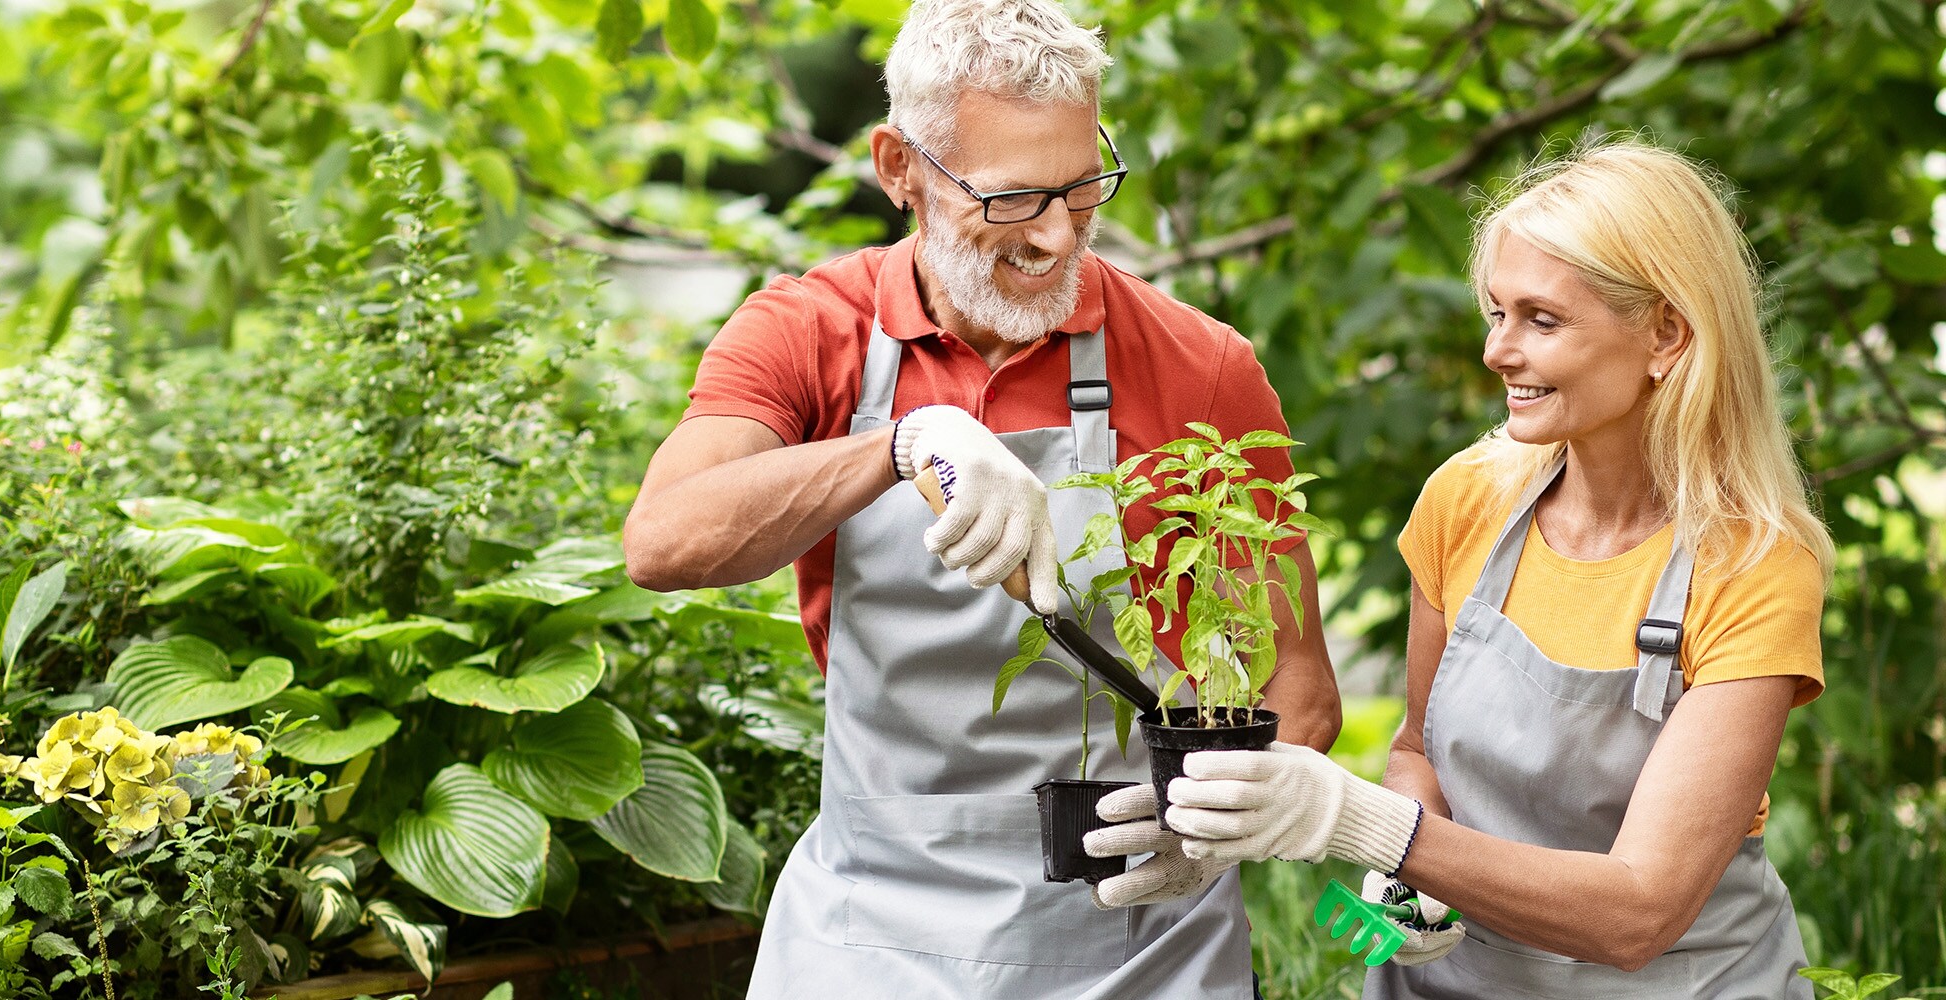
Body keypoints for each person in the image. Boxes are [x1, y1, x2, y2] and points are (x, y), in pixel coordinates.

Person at [622, 1, 1343, 996]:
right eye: (1012, 199)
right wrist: (899, 443)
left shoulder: (1199, 369)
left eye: (1082, 186)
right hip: (870, 933)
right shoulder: (808, 333)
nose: (1056, 234)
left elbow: (1297, 693)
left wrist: (1209, 835)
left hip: (1135, 938)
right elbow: (664, 541)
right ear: (898, 167)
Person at [1139, 140, 1832, 998]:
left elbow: (1639, 913)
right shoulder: (1469, 498)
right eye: (1496, 313)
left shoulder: (1752, 567)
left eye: (1542, 320)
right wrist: (1407, 876)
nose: (1498, 352)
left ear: (1666, 334)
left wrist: (1366, 823)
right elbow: (1416, 750)